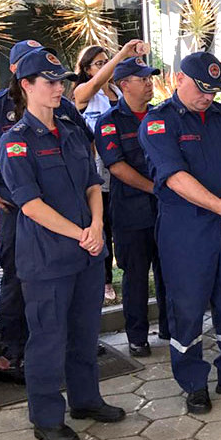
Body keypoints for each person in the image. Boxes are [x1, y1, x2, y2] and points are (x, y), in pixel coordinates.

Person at [0, 50, 126, 440]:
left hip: (87, 254)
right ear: (27, 86)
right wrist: (80, 232)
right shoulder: (15, 143)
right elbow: (31, 204)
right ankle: (46, 417)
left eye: (60, 81)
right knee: (48, 340)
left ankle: (86, 400)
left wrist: (98, 225)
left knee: (84, 334)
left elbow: (92, 183)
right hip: (48, 260)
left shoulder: (71, 131)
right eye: (49, 82)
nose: (59, 88)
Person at [139, 52, 221, 413]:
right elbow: (175, 177)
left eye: (214, 90)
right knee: (188, 306)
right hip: (187, 229)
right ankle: (193, 382)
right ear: (180, 79)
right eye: (201, 89)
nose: (208, 97)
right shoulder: (159, 123)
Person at [0, 40, 93, 379]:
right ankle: (14, 349)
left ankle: (69, 348)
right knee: (17, 277)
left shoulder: (63, 106)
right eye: (41, 75)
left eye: (56, 77)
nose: (54, 84)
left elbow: (85, 141)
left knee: (72, 280)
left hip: (66, 210)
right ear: (18, 74)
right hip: (18, 207)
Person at [94, 57, 169, 357]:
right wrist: (157, 188)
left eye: (150, 78)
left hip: (166, 211)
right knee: (136, 277)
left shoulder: (161, 115)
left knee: (170, 272)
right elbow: (116, 166)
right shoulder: (109, 122)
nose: (150, 83)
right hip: (132, 213)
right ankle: (137, 337)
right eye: (143, 79)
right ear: (124, 84)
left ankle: (170, 328)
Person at [74, 40, 145, 301]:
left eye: (107, 61)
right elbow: (93, 86)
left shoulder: (117, 89)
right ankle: (104, 280)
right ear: (86, 69)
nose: (106, 67)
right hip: (98, 169)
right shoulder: (84, 92)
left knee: (119, 225)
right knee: (100, 224)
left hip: (125, 164)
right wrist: (122, 54)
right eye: (99, 63)